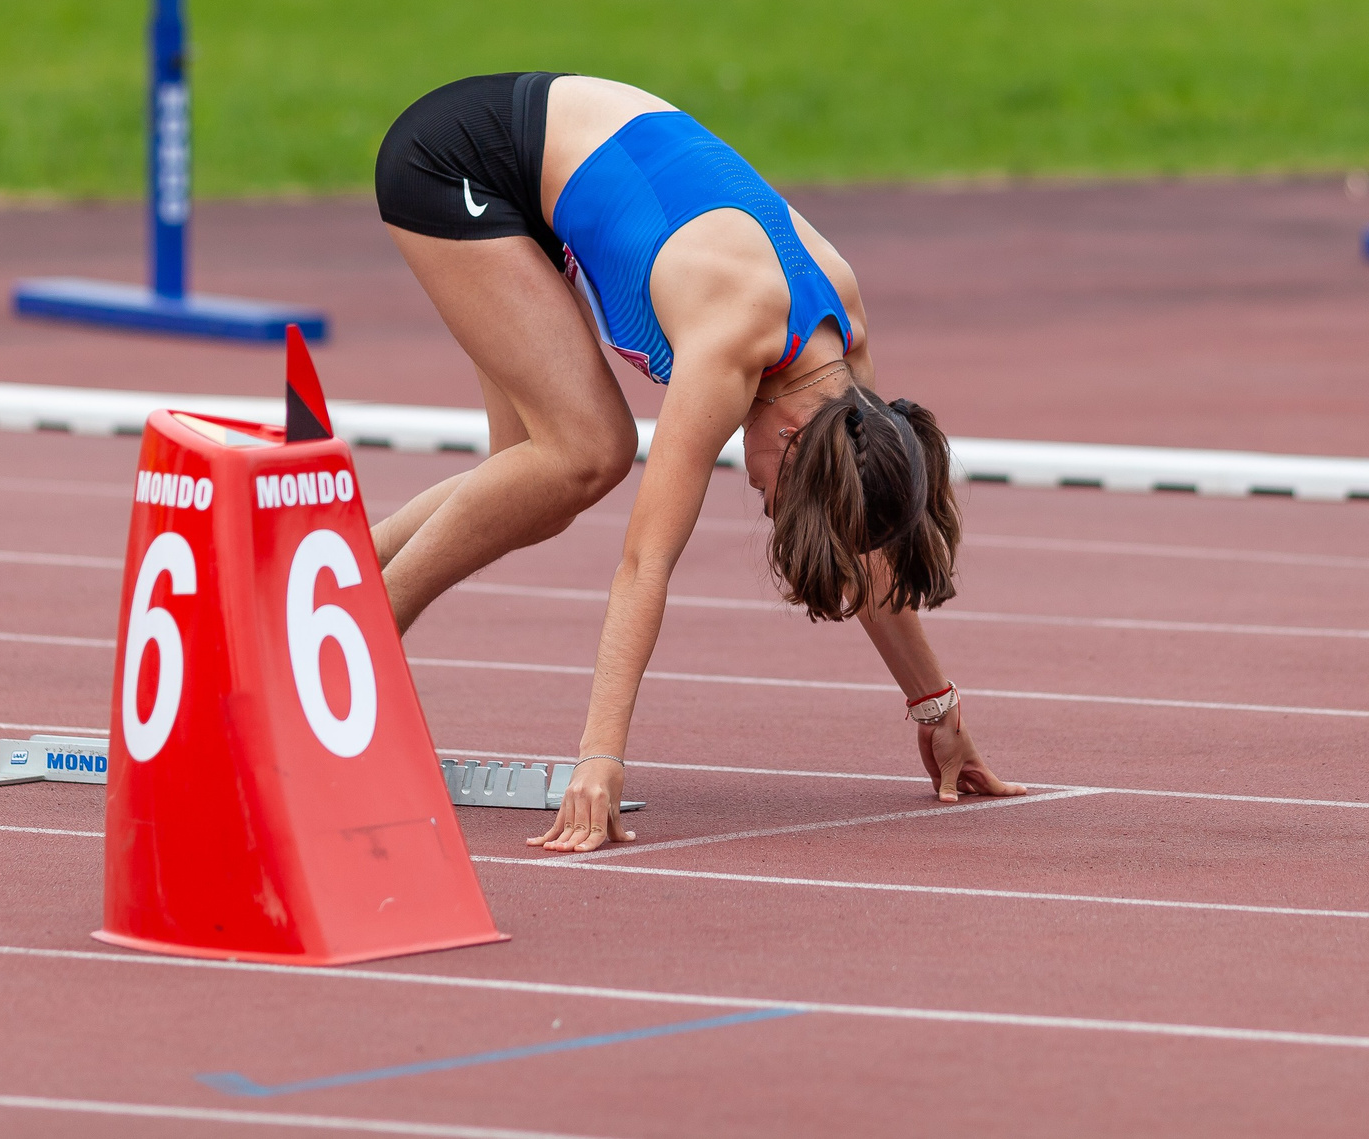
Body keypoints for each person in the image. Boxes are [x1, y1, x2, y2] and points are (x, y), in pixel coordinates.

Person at [371, 73, 1021, 854]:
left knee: (525, 476)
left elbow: (863, 530)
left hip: (546, 164)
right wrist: (598, 759)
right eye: (780, 499)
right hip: (462, 158)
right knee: (587, 453)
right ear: (789, 444)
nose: (763, 499)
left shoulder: (843, 354)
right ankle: (359, 626)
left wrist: (935, 708)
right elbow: (645, 562)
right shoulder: (731, 341)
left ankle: (321, 571)